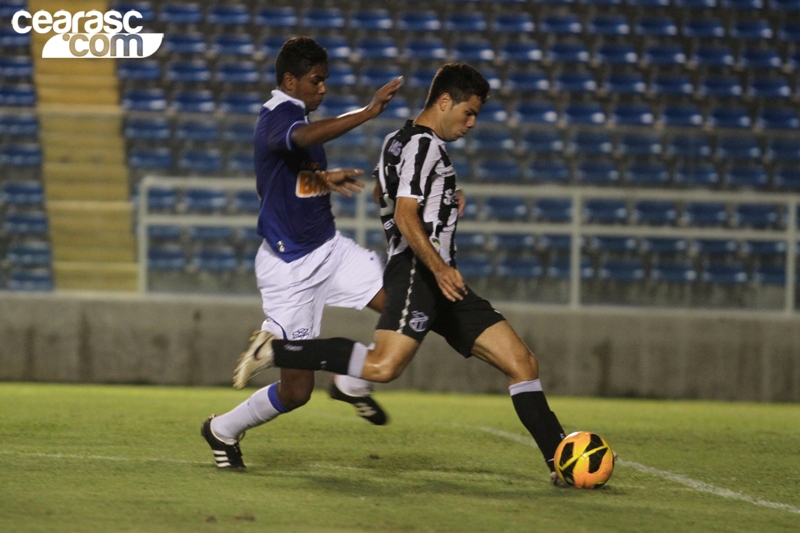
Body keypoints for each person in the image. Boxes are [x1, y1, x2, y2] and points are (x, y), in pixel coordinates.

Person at [232, 63, 569, 486]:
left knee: (522, 361)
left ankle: (561, 458)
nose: (472, 123)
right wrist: (439, 265)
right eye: (469, 112)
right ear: (444, 102)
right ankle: (278, 353)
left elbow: (382, 193)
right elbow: (407, 215)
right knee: (383, 366)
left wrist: (446, 198)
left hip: (442, 279)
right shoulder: (423, 146)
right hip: (421, 272)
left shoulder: (398, 142)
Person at [201, 36, 403, 469]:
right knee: (296, 393)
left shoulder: (296, 119)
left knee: (401, 306)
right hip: (290, 267)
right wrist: (367, 113)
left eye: (325, 80)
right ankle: (222, 430)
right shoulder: (279, 115)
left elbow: (285, 179)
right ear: (290, 80)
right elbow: (298, 138)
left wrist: (323, 180)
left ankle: (350, 382)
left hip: (329, 249)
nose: (323, 88)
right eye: (316, 80)